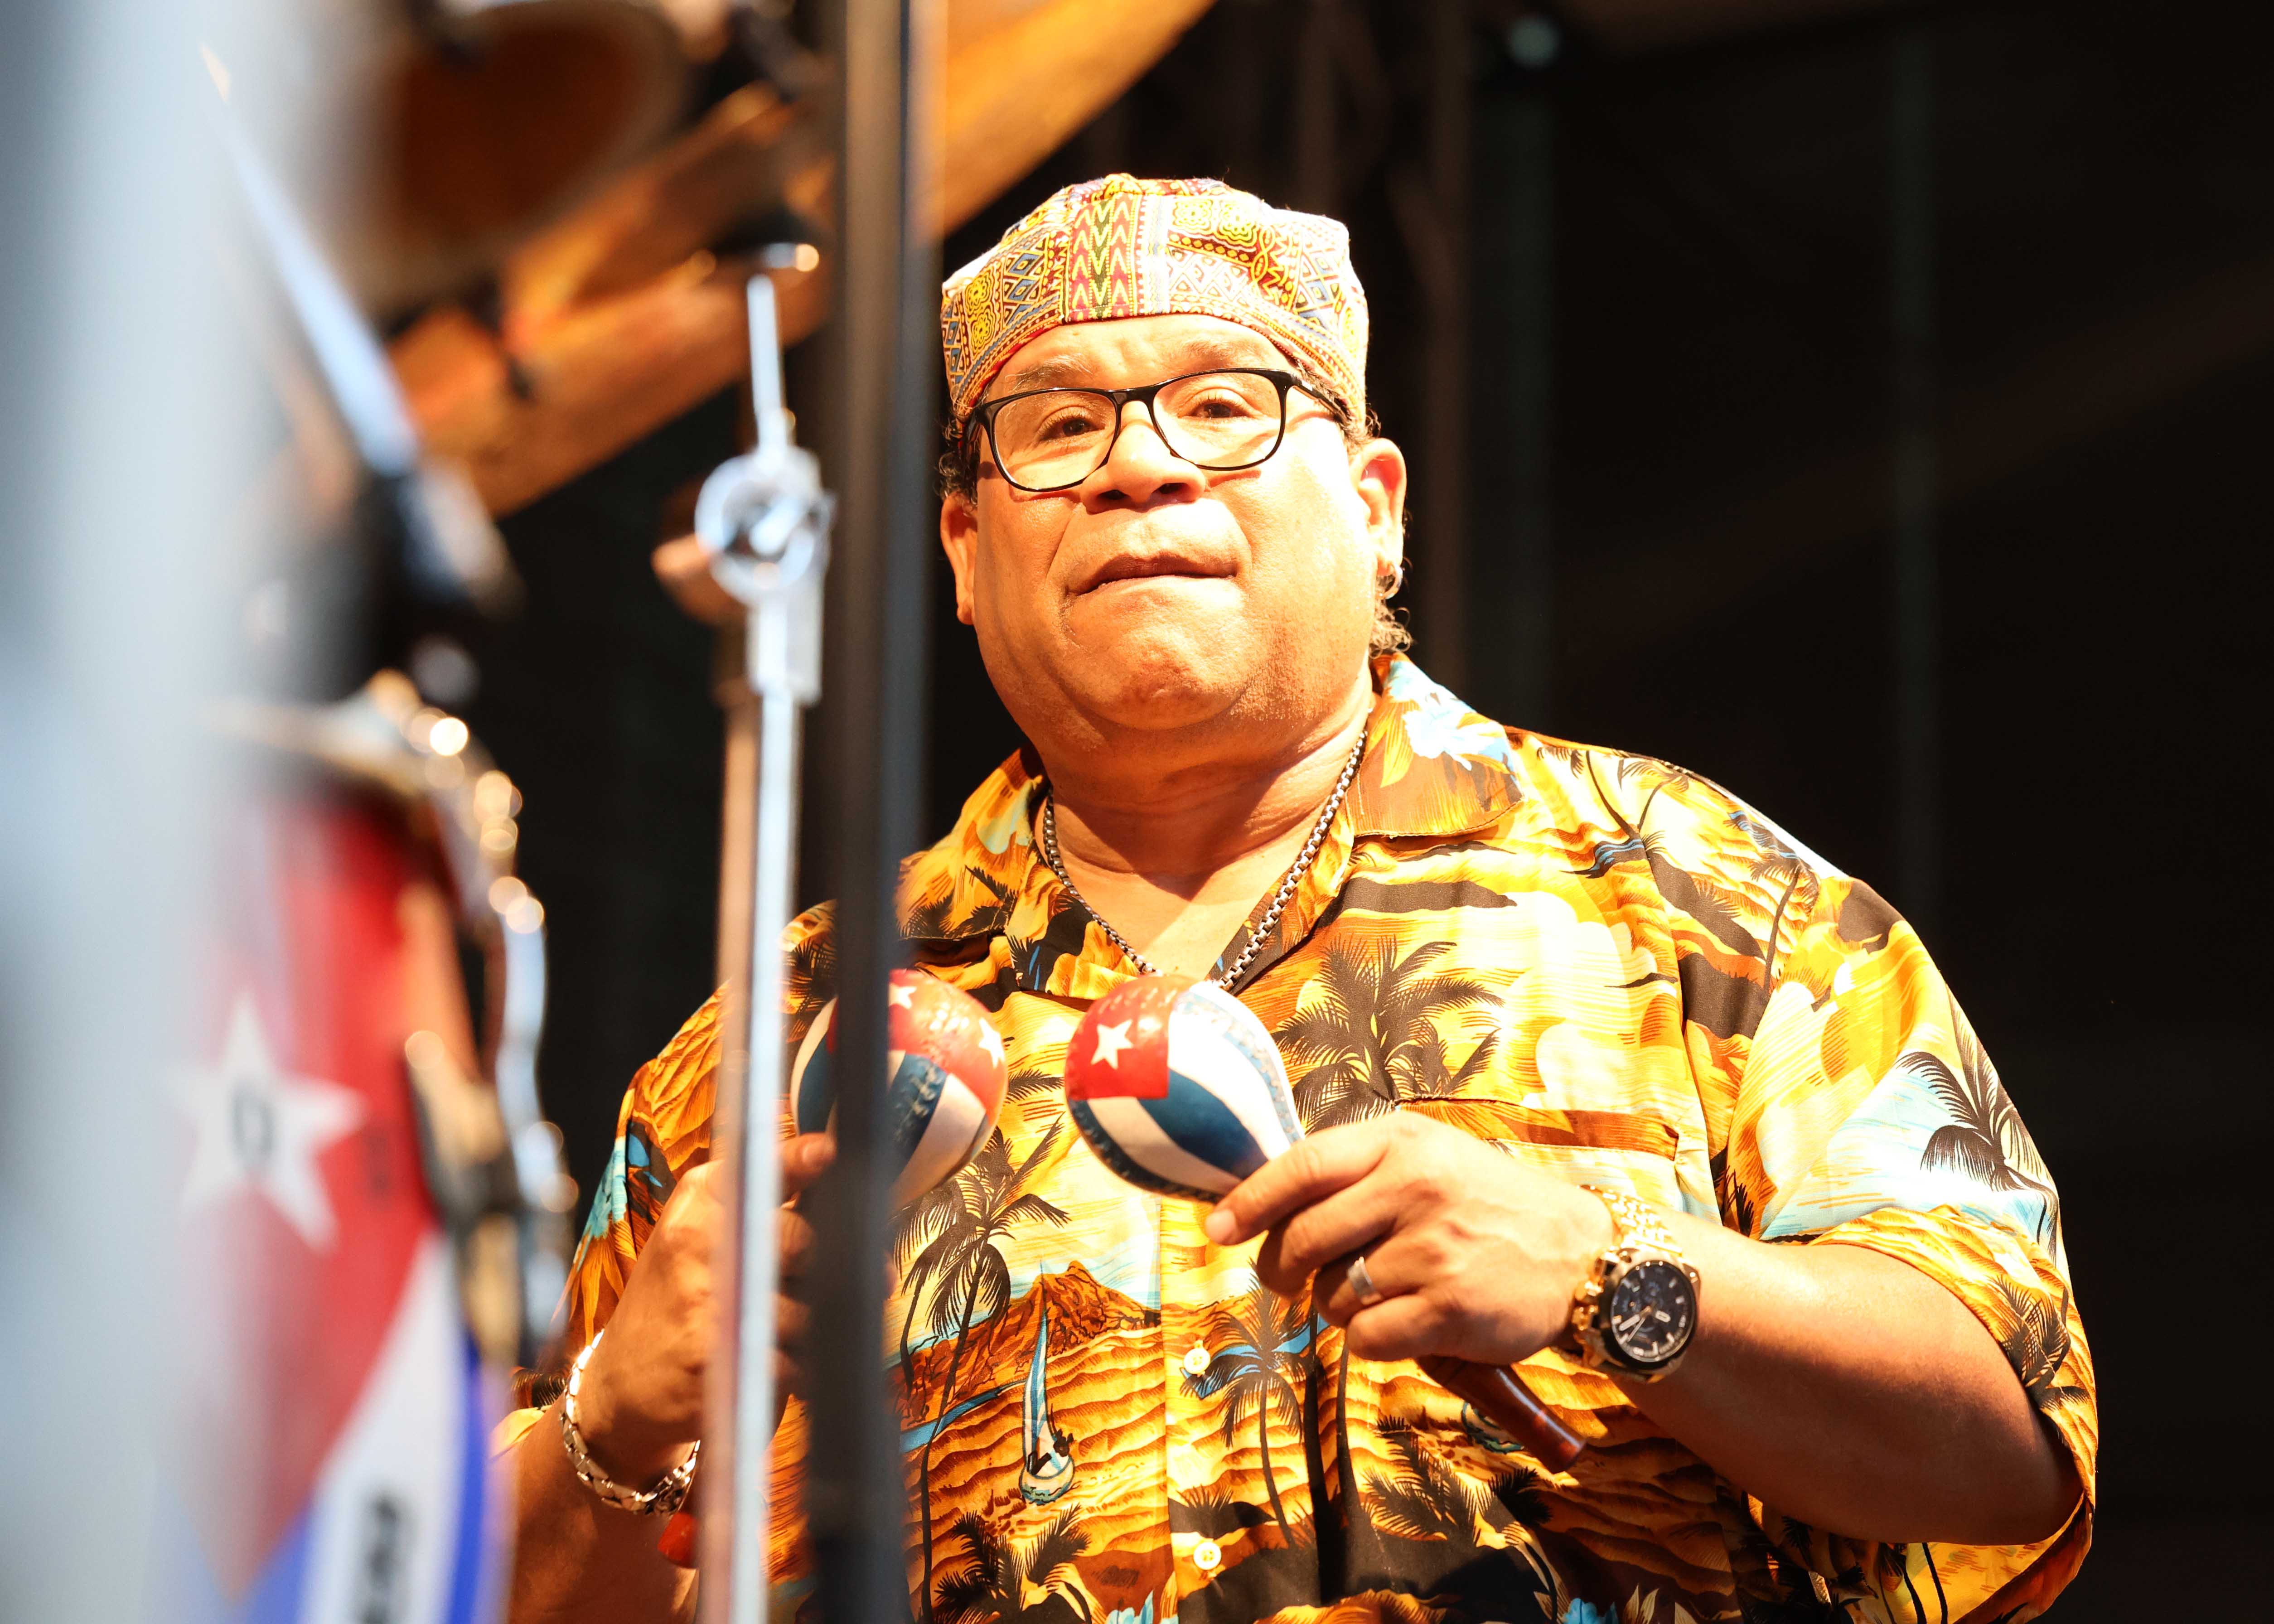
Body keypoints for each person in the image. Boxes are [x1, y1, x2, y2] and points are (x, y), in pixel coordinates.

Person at [501, 175, 2094, 1624]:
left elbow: (2006, 1450)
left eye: (1224, 406)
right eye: (1054, 428)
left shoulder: (1699, 896)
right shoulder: (775, 1043)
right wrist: (607, 1427)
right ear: (965, 551)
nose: (1139, 464)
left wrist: (1605, 1265)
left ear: (1376, 507)